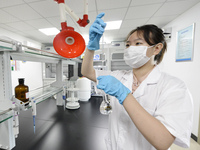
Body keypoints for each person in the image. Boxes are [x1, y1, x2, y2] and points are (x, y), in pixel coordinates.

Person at [81, 12, 193, 150]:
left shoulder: (174, 87)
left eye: (138, 43)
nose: (130, 49)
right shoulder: (119, 76)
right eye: (128, 45)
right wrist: (91, 47)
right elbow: (87, 72)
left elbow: (163, 141)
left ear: (156, 48)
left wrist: (124, 95)